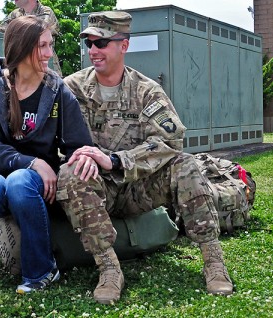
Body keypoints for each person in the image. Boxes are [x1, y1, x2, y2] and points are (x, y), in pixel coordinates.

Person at [57, 11, 233, 305]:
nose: (93, 51)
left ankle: (213, 261)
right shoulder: (71, 88)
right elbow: (51, 133)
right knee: (71, 173)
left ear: (123, 45)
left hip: (140, 188)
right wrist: (79, 157)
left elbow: (170, 141)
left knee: (186, 165)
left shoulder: (146, 91)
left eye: (101, 43)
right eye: (89, 43)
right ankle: (110, 269)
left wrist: (115, 161)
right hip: (98, 187)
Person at [0, 16, 95, 294]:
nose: (49, 53)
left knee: (20, 181)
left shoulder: (57, 90)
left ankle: (42, 271)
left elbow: (78, 144)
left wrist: (73, 167)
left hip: (35, 186)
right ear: (22, 48)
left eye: (50, 44)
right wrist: (33, 162)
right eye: (42, 46)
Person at [0, 0, 62, 76]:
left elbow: (37, 32)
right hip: (23, 68)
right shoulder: (15, 14)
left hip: (46, 66)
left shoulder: (45, 11)